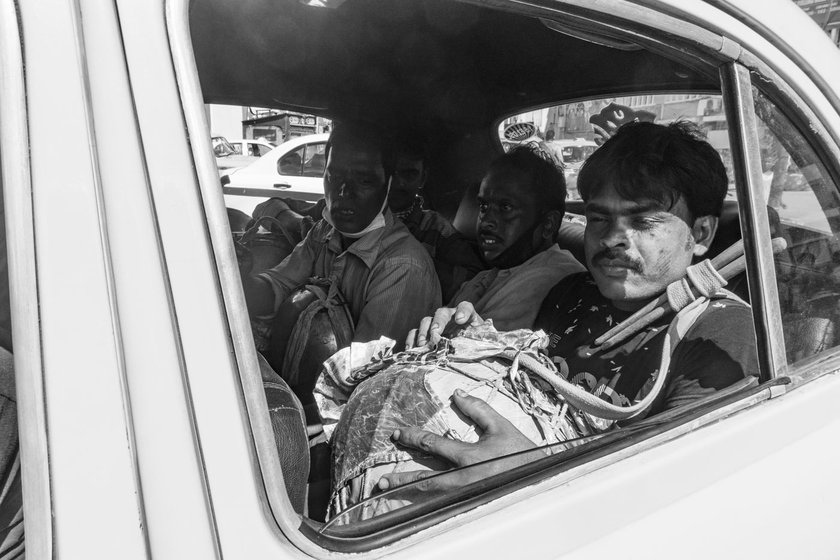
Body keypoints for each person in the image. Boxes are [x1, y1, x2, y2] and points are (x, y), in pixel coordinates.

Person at [384, 121, 758, 490]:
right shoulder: (570, 292)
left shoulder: (718, 332)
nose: (613, 238)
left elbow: (677, 493)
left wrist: (534, 470)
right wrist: (465, 339)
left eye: (643, 221)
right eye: (599, 218)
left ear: (703, 234)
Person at [240, 121, 441, 350]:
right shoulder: (324, 232)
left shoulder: (403, 268)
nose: (344, 192)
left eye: (364, 180)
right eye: (334, 177)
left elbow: (363, 373)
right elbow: (278, 284)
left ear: (389, 185)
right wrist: (238, 279)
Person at [432, 146, 584, 333]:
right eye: (484, 206)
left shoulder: (549, 279)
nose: (486, 221)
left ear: (548, 224)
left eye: (506, 207)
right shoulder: (494, 273)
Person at [388, 135, 485, 301]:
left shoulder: (437, 230)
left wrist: (416, 266)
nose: (399, 183)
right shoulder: (360, 220)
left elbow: (474, 281)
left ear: (422, 178)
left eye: (409, 174)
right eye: (391, 173)